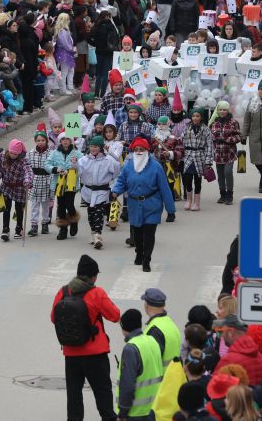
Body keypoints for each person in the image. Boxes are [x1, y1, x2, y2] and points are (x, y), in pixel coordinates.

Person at [50, 254, 120, 421]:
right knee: (102, 392)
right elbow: (115, 315)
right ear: (93, 276)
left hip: (71, 353)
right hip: (96, 354)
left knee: (74, 396)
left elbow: (54, 318)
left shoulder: (63, 292)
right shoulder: (97, 293)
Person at [111, 137, 176, 272]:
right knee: (138, 234)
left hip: (152, 204)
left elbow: (164, 187)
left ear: (147, 151)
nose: (139, 152)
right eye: (136, 150)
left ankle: (147, 260)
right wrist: (115, 192)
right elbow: (121, 181)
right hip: (134, 204)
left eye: (142, 149)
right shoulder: (128, 165)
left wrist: (170, 209)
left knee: (149, 234)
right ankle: (139, 252)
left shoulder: (155, 166)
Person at [117, 308, 163, 421]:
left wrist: (123, 412)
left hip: (135, 413)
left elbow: (127, 385)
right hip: (153, 407)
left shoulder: (130, 348)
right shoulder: (152, 340)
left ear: (124, 328)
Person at [78, 136, 120, 249]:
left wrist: (111, 184)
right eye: (91, 146)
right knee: (91, 213)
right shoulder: (84, 160)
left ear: (101, 147)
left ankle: (98, 235)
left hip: (102, 190)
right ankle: (93, 232)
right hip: (88, 191)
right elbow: (78, 172)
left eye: (96, 146)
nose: (93, 148)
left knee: (99, 212)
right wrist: (74, 164)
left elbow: (116, 170)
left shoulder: (108, 160)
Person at [0, 139, 33, 242]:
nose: (13, 155)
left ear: (19, 153)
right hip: (6, 186)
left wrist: (27, 181)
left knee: (19, 209)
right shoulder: (2, 156)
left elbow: (28, 171)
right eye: (11, 153)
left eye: (15, 154)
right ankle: (5, 230)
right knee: (6, 208)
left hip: (19, 187)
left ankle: (19, 228)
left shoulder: (24, 160)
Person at [212, 314, 262, 385]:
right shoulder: (261, 358)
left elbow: (214, 389)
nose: (222, 336)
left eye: (222, 331)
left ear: (230, 332)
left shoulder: (228, 360)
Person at [46, 133, 82, 241]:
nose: (65, 141)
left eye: (67, 139)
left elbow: (84, 164)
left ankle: (74, 221)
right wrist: (55, 169)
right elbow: (46, 164)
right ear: (60, 141)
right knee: (61, 205)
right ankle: (63, 229)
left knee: (69, 203)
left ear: (71, 141)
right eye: (63, 139)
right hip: (59, 182)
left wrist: (76, 164)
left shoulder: (76, 153)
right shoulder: (55, 153)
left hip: (71, 181)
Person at [140, 288, 181, 372]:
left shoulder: (154, 330)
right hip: (173, 378)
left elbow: (151, 362)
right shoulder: (171, 324)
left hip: (161, 382)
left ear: (147, 305)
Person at [180, 108, 214, 211]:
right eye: (193, 116)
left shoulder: (206, 130)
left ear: (201, 117)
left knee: (197, 180)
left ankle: (197, 202)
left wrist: (208, 161)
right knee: (187, 179)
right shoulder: (186, 128)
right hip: (188, 156)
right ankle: (189, 200)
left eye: (197, 116)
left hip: (200, 156)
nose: (195, 118)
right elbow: (181, 141)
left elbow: (209, 146)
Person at [210, 101, 241, 205]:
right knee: (220, 174)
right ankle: (222, 194)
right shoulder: (214, 122)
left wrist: (229, 139)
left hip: (229, 152)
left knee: (227, 172)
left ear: (228, 111)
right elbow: (210, 135)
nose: (222, 111)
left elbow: (238, 136)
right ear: (217, 110)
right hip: (218, 152)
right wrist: (213, 138)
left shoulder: (233, 122)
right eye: (220, 109)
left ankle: (229, 194)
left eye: (224, 110)